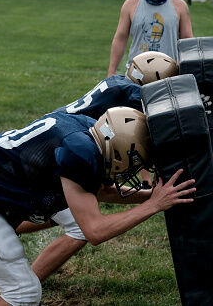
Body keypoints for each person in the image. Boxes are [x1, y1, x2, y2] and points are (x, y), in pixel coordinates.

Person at [0, 106, 196, 306]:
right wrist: (153, 206)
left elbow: (97, 192)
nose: (133, 170)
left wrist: (150, 196)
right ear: (120, 150)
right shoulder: (80, 153)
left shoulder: (87, 130)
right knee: (23, 293)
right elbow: (94, 230)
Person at [15, 51, 180, 282]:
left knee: (62, 209)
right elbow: (101, 207)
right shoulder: (133, 98)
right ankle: (26, 285)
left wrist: (151, 196)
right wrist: (154, 201)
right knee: (80, 226)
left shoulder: (117, 82)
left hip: (51, 143)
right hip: (61, 154)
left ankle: (6, 227)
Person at [107, 0, 193, 77]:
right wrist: (111, 72)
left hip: (169, 73)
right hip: (137, 73)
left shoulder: (179, 5)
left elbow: (187, 41)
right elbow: (120, 39)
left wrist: (187, 73)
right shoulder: (131, 4)